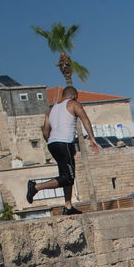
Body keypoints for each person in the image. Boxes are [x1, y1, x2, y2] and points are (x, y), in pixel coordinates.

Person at [26, 86, 100, 215]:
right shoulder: (73, 104)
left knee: (66, 174)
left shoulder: (51, 110)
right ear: (73, 96)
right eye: (76, 98)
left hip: (53, 144)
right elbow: (85, 119)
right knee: (68, 178)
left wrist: (53, 140)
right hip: (64, 143)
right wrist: (92, 138)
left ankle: (68, 206)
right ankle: (36, 187)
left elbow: (45, 131)